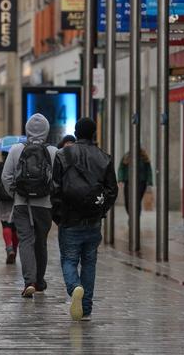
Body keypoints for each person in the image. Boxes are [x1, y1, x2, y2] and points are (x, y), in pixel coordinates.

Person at [52, 117, 118, 321]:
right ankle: (86, 307)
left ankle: (75, 288)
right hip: (93, 220)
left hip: (70, 219)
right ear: (94, 134)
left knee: (69, 260)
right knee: (89, 263)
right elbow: (112, 190)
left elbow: (54, 188)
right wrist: (100, 209)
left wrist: (59, 216)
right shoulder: (104, 157)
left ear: (76, 132)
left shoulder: (63, 155)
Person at [2, 113, 58, 298]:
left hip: (22, 204)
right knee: (41, 241)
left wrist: (16, 193)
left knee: (26, 240)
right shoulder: (53, 151)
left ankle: (29, 282)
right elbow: (58, 180)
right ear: (47, 130)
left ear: (26, 129)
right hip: (44, 205)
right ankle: (40, 281)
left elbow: (6, 176)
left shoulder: (16, 149)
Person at [0, 152, 18, 264]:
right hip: (17, 201)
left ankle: (9, 248)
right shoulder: (19, 165)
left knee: (6, 225)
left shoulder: (0, 166)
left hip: (3, 201)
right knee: (16, 228)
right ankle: (14, 252)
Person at [118, 149, 153, 215]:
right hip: (129, 181)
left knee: (137, 201)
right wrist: (120, 179)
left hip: (141, 182)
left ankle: (136, 218)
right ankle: (131, 217)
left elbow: (148, 170)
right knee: (128, 201)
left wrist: (149, 182)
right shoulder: (127, 156)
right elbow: (121, 168)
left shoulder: (144, 157)